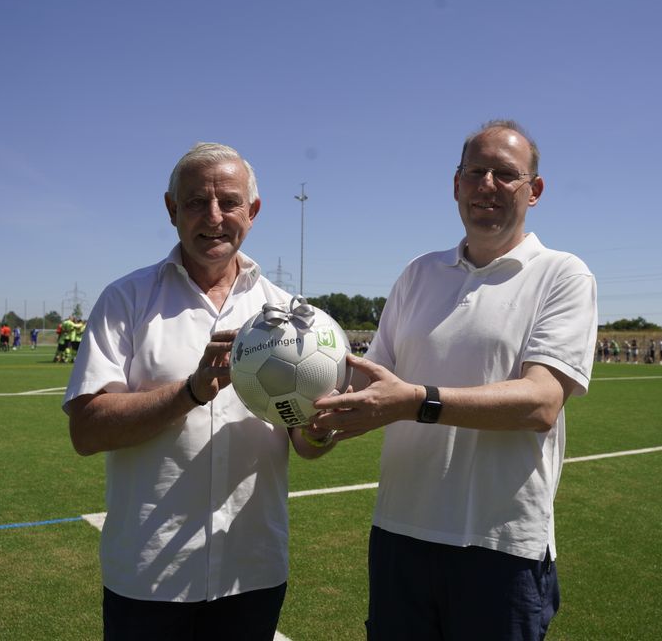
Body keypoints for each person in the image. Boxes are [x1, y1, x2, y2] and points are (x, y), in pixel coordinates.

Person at [312, 120, 598, 640]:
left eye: (506, 174)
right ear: (455, 184)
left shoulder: (563, 274)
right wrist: (303, 410)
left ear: (534, 190)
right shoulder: (417, 274)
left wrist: (415, 402)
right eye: (475, 172)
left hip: (501, 546)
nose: (487, 185)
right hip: (399, 534)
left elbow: (540, 403)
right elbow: (369, 389)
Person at [63, 141, 336, 640]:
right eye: (195, 202)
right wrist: (189, 392)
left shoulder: (289, 314)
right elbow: (86, 431)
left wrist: (322, 426)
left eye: (229, 202)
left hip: (251, 572)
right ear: (172, 210)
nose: (214, 217)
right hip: (148, 576)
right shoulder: (126, 299)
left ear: (252, 211)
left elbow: (304, 441)